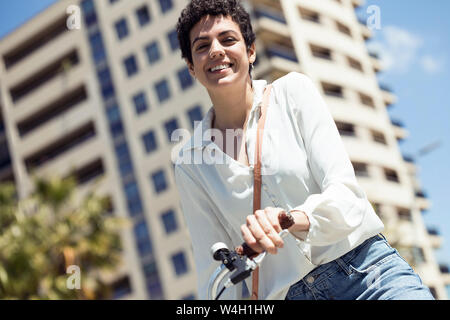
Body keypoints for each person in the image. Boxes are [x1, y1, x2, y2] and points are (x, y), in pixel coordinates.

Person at [174, 0, 434, 300]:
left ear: (250, 51)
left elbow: (347, 195)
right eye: (202, 46)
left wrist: (290, 218)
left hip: (367, 273)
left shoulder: (293, 93)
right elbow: (215, 276)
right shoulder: (190, 163)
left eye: (228, 39)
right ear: (192, 67)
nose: (216, 50)